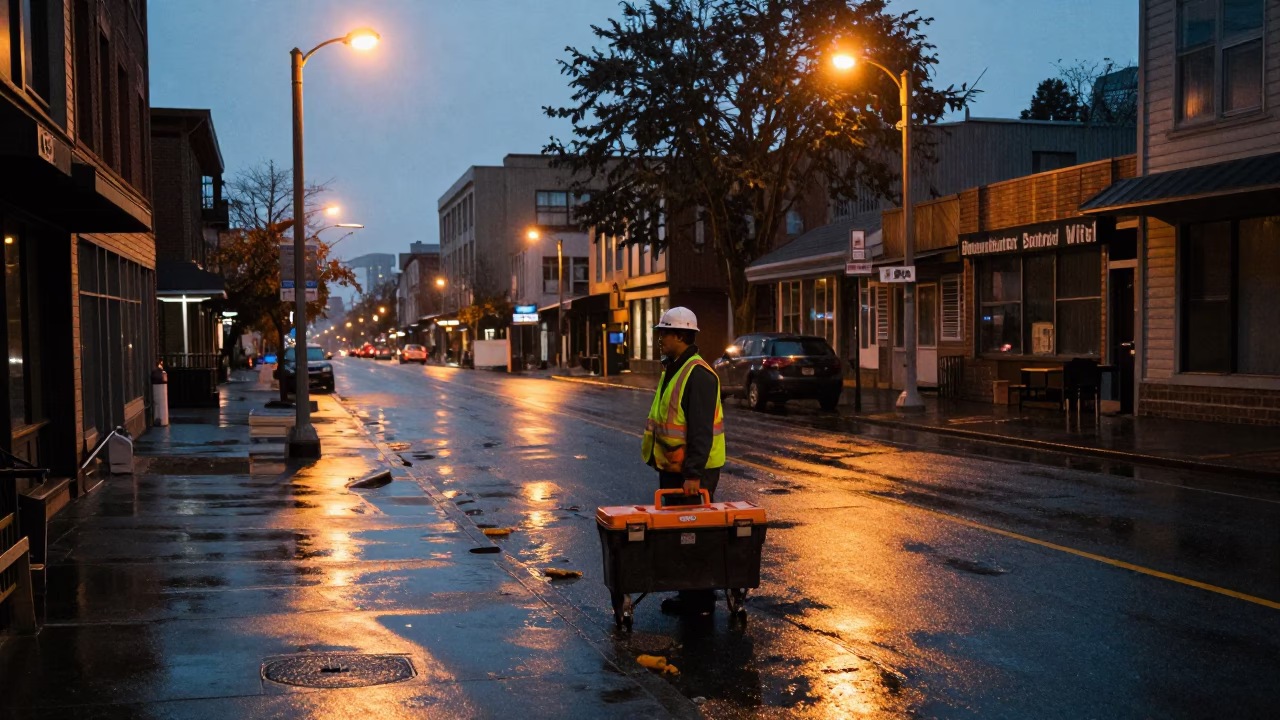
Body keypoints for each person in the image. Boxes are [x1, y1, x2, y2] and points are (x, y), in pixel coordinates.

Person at [640, 306, 726, 616]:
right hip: (674, 468)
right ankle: (688, 592)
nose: (660, 338)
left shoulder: (698, 373)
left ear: (680, 335)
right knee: (681, 534)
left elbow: (701, 432)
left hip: (692, 473)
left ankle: (701, 599)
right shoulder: (674, 367)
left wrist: (693, 475)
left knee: (695, 534)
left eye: (664, 332)